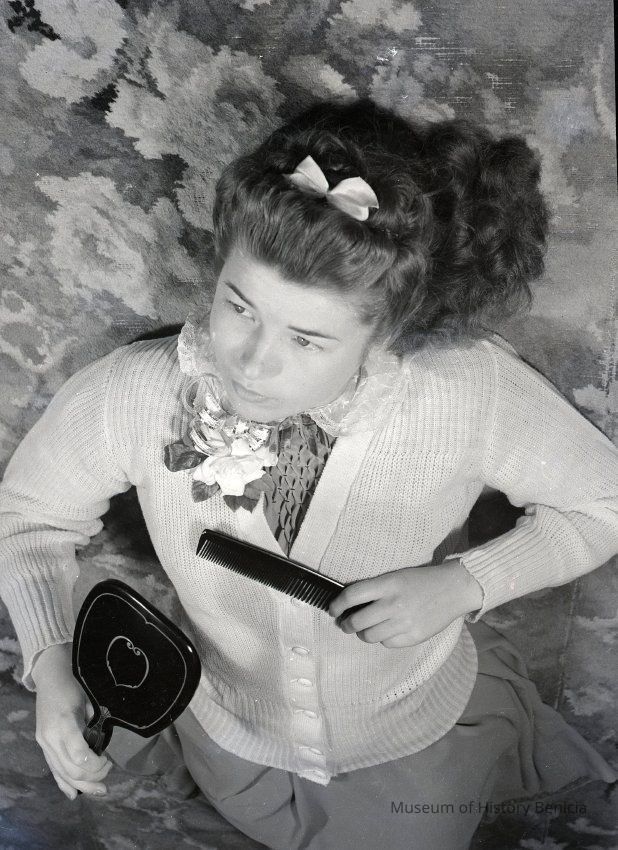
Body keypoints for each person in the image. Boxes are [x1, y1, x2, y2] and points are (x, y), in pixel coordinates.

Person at [0, 99, 616, 850]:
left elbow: (604, 501)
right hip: (230, 729)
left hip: (407, 733)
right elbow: (28, 516)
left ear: (388, 331)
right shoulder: (136, 392)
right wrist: (51, 661)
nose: (253, 364)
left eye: (307, 339)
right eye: (239, 306)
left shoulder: (469, 392)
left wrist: (466, 583)